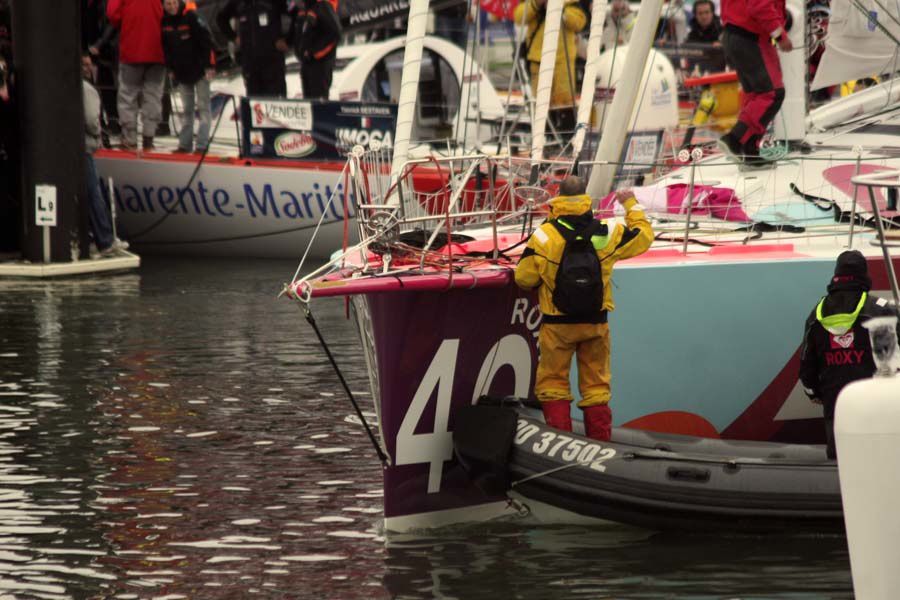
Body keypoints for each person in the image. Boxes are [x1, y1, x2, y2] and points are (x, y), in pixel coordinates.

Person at [514, 177, 654, 441]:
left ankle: (560, 445)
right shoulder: (607, 232)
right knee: (596, 388)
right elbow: (645, 237)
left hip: (557, 327)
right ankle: (599, 446)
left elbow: (524, 279)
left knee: (553, 385)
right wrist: (630, 204)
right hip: (595, 324)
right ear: (585, 199)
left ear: (557, 198)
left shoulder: (544, 235)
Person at [799, 250, 899, 460]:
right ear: (864, 275)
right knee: (882, 462)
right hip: (877, 406)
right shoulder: (879, 310)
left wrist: (814, 393)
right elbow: (893, 362)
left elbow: (807, 365)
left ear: (836, 275)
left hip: (837, 407)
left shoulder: (817, 313)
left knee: (842, 467)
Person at [717, 0, 792, 167]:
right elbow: (760, 5)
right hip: (751, 37)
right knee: (772, 93)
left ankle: (750, 151)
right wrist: (780, 35)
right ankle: (735, 139)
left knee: (754, 94)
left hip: (734, 33)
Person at [514, 0, 587, 135]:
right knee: (541, 103)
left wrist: (559, 10)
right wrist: (536, 4)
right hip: (538, 59)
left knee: (565, 103)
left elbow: (579, 22)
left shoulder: (570, 3)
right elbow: (519, 17)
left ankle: (568, 137)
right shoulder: (533, 3)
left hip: (563, 60)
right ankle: (544, 137)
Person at [83, 54, 129, 256]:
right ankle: (104, 240)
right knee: (94, 193)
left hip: (70, 147)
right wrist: (96, 135)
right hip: (84, 148)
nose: (88, 68)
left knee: (88, 193)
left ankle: (92, 237)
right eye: (85, 64)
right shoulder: (87, 89)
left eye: (89, 64)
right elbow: (92, 120)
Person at [107, 0, 166, 151]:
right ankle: (149, 139)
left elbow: (113, 15)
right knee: (153, 96)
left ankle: (130, 140)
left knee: (127, 97)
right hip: (158, 51)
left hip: (131, 50)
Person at [162, 0, 215, 153]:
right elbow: (166, 49)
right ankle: (185, 145)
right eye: (168, 4)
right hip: (181, 73)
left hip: (200, 71)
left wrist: (209, 66)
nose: (172, 7)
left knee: (204, 108)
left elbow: (207, 41)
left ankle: (202, 145)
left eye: (173, 3)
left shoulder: (192, 17)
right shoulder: (164, 22)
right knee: (187, 110)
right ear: (164, 5)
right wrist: (171, 68)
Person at [217, 0, 290, 97]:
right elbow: (221, 18)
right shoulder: (239, 3)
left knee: (275, 101)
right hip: (250, 65)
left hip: (273, 63)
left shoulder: (274, 2)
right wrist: (234, 37)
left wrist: (288, 40)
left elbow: (295, 13)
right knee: (255, 103)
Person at [290, 0, 340, 100]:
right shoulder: (304, 8)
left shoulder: (322, 6)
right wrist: (299, 52)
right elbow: (300, 33)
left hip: (320, 65)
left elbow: (335, 33)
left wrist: (314, 53)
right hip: (306, 64)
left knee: (319, 104)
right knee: (308, 103)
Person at [685, 0, 726, 73]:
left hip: (721, 76)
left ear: (712, 13)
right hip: (699, 76)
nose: (704, 16)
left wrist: (723, 46)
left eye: (707, 12)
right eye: (700, 13)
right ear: (695, 15)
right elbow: (684, 52)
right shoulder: (691, 35)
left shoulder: (723, 32)